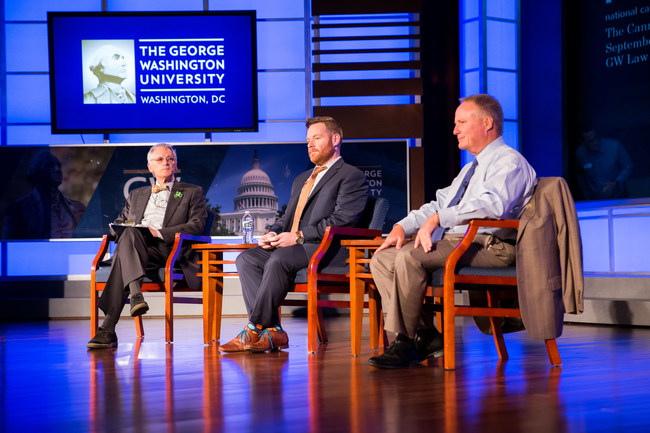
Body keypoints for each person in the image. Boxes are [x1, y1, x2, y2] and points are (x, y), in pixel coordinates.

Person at [368, 94, 537, 369]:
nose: (454, 129)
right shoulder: (470, 168)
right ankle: (426, 334)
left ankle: (405, 341)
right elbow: (439, 203)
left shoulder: (509, 162)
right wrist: (402, 225)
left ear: (487, 123)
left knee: (410, 257)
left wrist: (439, 218)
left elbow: (493, 205)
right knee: (383, 258)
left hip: (490, 244)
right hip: (460, 242)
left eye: (461, 122)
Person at [220, 116, 369, 353]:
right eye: (308, 140)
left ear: (335, 139)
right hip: (296, 247)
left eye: (316, 138)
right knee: (247, 259)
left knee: (279, 260)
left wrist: (298, 236)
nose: (310, 145)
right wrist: (273, 233)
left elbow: (343, 220)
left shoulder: (351, 176)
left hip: (328, 249)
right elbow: (286, 218)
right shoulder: (302, 178)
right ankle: (274, 331)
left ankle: (254, 327)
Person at [87, 143, 207, 349]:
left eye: (170, 159)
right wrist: (119, 228)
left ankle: (108, 327)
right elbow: (121, 223)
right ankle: (133, 297)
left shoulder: (190, 192)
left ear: (176, 164)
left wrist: (158, 232)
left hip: (169, 250)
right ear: (150, 167)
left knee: (125, 252)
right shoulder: (136, 194)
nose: (166, 162)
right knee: (130, 234)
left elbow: (197, 225)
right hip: (138, 248)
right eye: (160, 160)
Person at [2, 150, 85, 239]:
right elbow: (9, 246)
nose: (57, 169)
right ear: (36, 172)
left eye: (58, 165)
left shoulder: (78, 207)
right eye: (49, 165)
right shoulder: (18, 209)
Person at [575, 127, 632, 200]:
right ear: (583, 142)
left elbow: (628, 166)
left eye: (595, 138)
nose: (595, 143)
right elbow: (580, 175)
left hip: (619, 196)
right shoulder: (580, 153)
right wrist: (586, 193)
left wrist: (616, 183)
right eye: (590, 141)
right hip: (594, 199)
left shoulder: (614, 146)